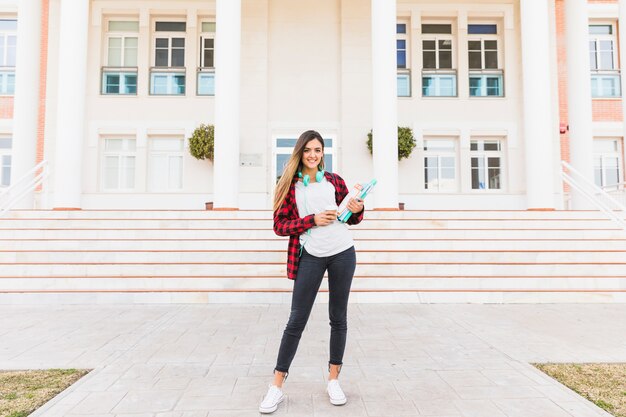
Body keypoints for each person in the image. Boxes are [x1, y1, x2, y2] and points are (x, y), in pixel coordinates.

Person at [259, 130, 365, 414]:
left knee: (338, 318)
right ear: (300, 153)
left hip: (343, 252)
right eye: (308, 150)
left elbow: (351, 218)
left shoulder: (334, 181)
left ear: (323, 153)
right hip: (310, 257)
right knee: (296, 320)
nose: (313, 155)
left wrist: (358, 207)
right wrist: (311, 220)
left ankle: (333, 380)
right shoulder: (290, 186)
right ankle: (276, 386)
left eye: (318, 150)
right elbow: (280, 226)